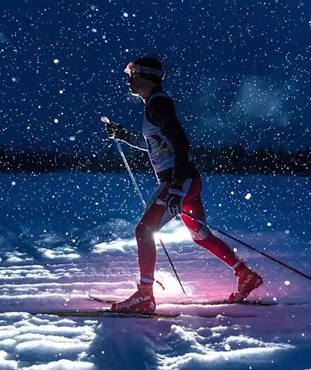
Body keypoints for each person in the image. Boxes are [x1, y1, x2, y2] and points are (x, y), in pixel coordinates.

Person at [104, 56, 263, 313]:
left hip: (178, 180)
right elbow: (154, 144)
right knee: (200, 235)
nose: (128, 80)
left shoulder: (158, 105)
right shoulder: (155, 105)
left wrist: (176, 187)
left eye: (132, 74)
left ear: (145, 77)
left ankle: (145, 296)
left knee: (144, 230)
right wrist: (122, 135)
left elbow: (181, 143)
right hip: (188, 180)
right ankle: (245, 275)